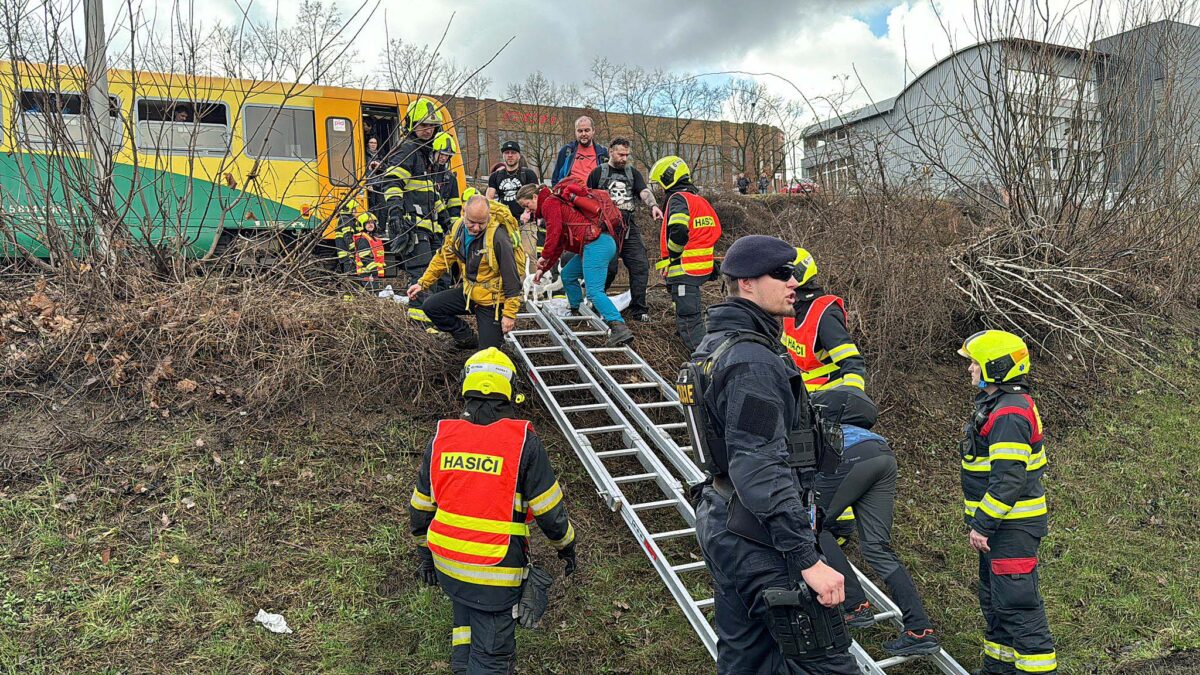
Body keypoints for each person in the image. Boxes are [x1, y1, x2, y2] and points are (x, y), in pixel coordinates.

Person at [688, 234, 857, 674]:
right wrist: (808, 560)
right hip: (761, 537)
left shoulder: (717, 346)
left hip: (728, 522)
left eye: (795, 275)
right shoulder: (752, 361)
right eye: (781, 274)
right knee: (825, 661)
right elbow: (759, 466)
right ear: (746, 283)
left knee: (748, 660)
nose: (794, 284)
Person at [409, 348, 578, 675]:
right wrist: (566, 547)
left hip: (448, 563)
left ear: (465, 384)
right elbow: (550, 512)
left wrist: (425, 556)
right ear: (510, 389)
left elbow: (419, 509)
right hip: (494, 572)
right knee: (493, 657)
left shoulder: (442, 438)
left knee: (465, 629)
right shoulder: (522, 442)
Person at [811, 387, 941, 657]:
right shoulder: (864, 429)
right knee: (877, 547)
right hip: (882, 454)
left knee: (813, 526)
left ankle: (856, 606)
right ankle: (919, 630)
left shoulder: (820, 424)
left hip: (849, 455)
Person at [957, 330, 1056, 674]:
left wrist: (982, 524)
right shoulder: (998, 405)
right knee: (997, 606)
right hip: (1002, 529)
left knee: (1017, 608)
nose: (969, 368)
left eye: (974, 362)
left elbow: (1008, 480)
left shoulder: (1008, 415)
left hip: (1009, 528)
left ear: (995, 368)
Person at [516, 183, 633, 347]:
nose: (528, 211)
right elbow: (559, 245)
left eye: (526, 206)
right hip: (594, 245)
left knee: (594, 292)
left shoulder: (550, 203)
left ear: (535, 197)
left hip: (597, 244)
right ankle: (576, 310)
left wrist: (544, 256)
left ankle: (619, 327)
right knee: (567, 275)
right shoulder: (555, 204)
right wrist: (542, 270)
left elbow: (553, 234)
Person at [408, 195, 522, 350]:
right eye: (472, 223)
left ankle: (488, 342)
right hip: (470, 293)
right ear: (464, 213)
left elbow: (512, 280)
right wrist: (423, 283)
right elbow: (443, 258)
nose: (476, 228)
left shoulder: (498, 237)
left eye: (481, 223)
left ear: (488, 217)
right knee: (431, 306)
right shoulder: (458, 229)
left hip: (491, 301)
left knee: (488, 353)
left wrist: (509, 314)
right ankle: (466, 338)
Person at [381, 97, 445, 323]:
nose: (428, 130)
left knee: (440, 274)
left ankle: (437, 321)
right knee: (421, 274)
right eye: (422, 125)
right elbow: (391, 182)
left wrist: (446, 220)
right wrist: (395, 213)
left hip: (430, 228)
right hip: (413, 225)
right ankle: (420, 325)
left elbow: (430, 193)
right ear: (411, 125)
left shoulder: (425, 153)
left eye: (431, 126)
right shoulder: (407, 150)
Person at [649, 155, 722, 351]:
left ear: (668, 178)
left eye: (660, 182)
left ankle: (705, 360)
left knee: (689, 320)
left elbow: (679, 231)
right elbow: (711, 232)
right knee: (687, 312)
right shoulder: (699, 201)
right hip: (700, 267)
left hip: (684, 269)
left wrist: (673, 256)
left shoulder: (677, 199)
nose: (660, 188)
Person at [586, 137, 661, 322]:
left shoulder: (632, 173)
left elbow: (643, 191)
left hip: (628, 227)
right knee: (608, 268)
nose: (624, 158)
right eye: (621, 154)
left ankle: (639, 310)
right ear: (611, 151)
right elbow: (585, 198)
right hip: (605, 229)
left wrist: (653, 205)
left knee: (640, 265)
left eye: (627, 155)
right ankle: (596, 304)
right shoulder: (597, 173)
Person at [782, 248, 867, 396]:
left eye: (785, 273)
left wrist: (853, 398)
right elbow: (784, 352)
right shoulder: (790, 307)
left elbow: (852, 362)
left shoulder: (824, 313)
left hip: (828, 398)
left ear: (799, 272)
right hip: (801, 396)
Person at [487, 140, 541, 221]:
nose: (510, 155)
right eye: (507, 152)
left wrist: (527, 213)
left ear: (519, 155)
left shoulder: (528, 173)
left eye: (513, 152)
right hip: (504, 221)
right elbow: (489, 199)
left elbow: (536, 196)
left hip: (526, 221)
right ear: (503, 156)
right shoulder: (495, 176)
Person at [551, 116, 609, 186]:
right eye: (580, 131)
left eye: (587, 130)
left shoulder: (603, 152)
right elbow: (555, 179)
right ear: (575, 132)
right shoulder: (567, 151)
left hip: (594, 194)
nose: (583, 134)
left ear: (593, 131)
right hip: (570, 194)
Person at [431, 131, 463, 238]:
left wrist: (453, 228)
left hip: (441, 227)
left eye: (447, 155)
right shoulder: (425, 173)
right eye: (442, 153)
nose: (444, 158)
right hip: (425, 224)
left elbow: (454, 207)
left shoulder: (450, 178)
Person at [352, 212, 386, 287]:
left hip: (374, 273)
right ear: (362, 225)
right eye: (367, 223)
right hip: (367, 273)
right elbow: (364, 257)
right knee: (371, 292)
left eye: (372, 223)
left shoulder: (375, 239)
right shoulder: (362, 238)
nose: (370, 225)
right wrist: (374, 269)